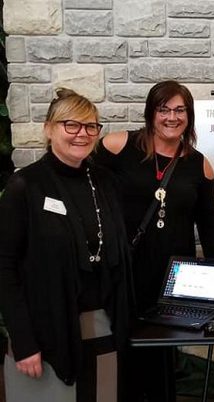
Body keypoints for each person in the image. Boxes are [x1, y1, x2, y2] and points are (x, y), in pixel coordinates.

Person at [0, 89, 131, 401]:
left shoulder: (105, 182)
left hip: (102, 329)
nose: (82, 134)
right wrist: (23, 342)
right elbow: (5, 269)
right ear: (49, 128)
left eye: (90, 126)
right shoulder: (25, 187)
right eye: (70, 125)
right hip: (45, 333)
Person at [94, 80, 214, 402]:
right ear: (151, 112)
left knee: (163, 350)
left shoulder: (199, 164)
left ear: (189, 116)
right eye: (164, 109)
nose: (172, 117)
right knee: (125, 344)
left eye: (180, 110)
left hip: (173, 274)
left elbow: (207, 223)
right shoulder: (119, 146)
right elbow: (86, 189)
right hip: (127, 267)